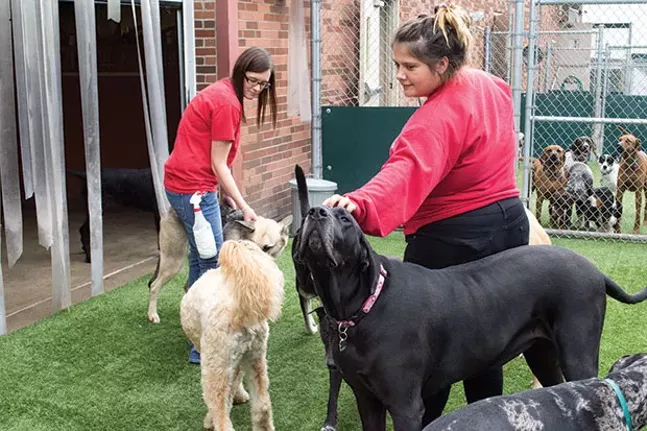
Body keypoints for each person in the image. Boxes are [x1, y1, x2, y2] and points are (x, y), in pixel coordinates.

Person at [323, 4, 529, 422]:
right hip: (509, 220)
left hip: (456, 236)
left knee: (420, 344)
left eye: (410, 66)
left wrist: (358, 204)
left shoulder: (436, 115)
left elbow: (405, 169)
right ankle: (489, 421)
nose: (399, 74)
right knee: (487, 338)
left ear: (443, 63)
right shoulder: (489, 84)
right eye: (397, 63)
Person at [164, 46, 277, 363]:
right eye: (252, 81)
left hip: (190, 185)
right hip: (193, 189)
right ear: (240, 72)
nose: (256, 88)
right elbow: (219, 163)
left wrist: (224, 193)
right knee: (213, 262)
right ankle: (203, 346)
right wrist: (243, 205)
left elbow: (212, 159)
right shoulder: (227, 103)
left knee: (203, 258)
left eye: (263, 84)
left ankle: (196, 332)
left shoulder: (223, 93)